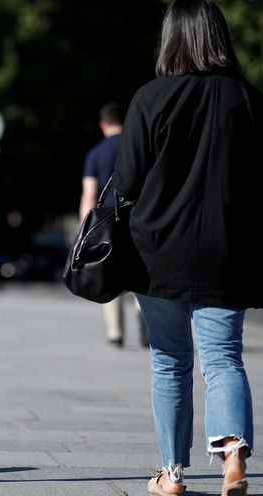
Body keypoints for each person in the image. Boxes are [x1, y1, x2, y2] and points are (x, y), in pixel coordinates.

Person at [112, 0, 263, 496]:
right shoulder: (251, 101)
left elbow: (128, 180)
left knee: (169, 360)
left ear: (171, 38)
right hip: (228, 251)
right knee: (224, 358)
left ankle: (173, 474)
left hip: (156, 251)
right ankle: (233, 463)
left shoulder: (150, 98)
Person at [80, 102, 147, 349]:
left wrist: (85, 228)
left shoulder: (96, 153)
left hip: (108, 222)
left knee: (109, 273)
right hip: (138, 218)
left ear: (102, 125)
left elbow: (89, 194)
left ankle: (115, 333)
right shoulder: (139, 148)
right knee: (140, 274)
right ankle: (147, 329)